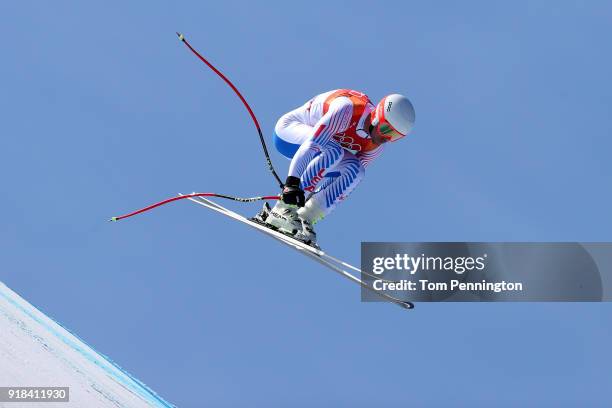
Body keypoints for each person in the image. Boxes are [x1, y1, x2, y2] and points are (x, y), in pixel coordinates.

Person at [256, 89, 415, 246]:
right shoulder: (348, 109)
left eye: (394, 136)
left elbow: (339, 175)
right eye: (386, 130)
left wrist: (309, 200)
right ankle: (283, 208)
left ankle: (305, 216)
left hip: (320, 151)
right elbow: (313, 144)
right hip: (289, 133)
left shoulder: (376, 146)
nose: (385, 138)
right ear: (377, 117)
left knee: (356, 170)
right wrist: (292, 184)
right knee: (334, 150)